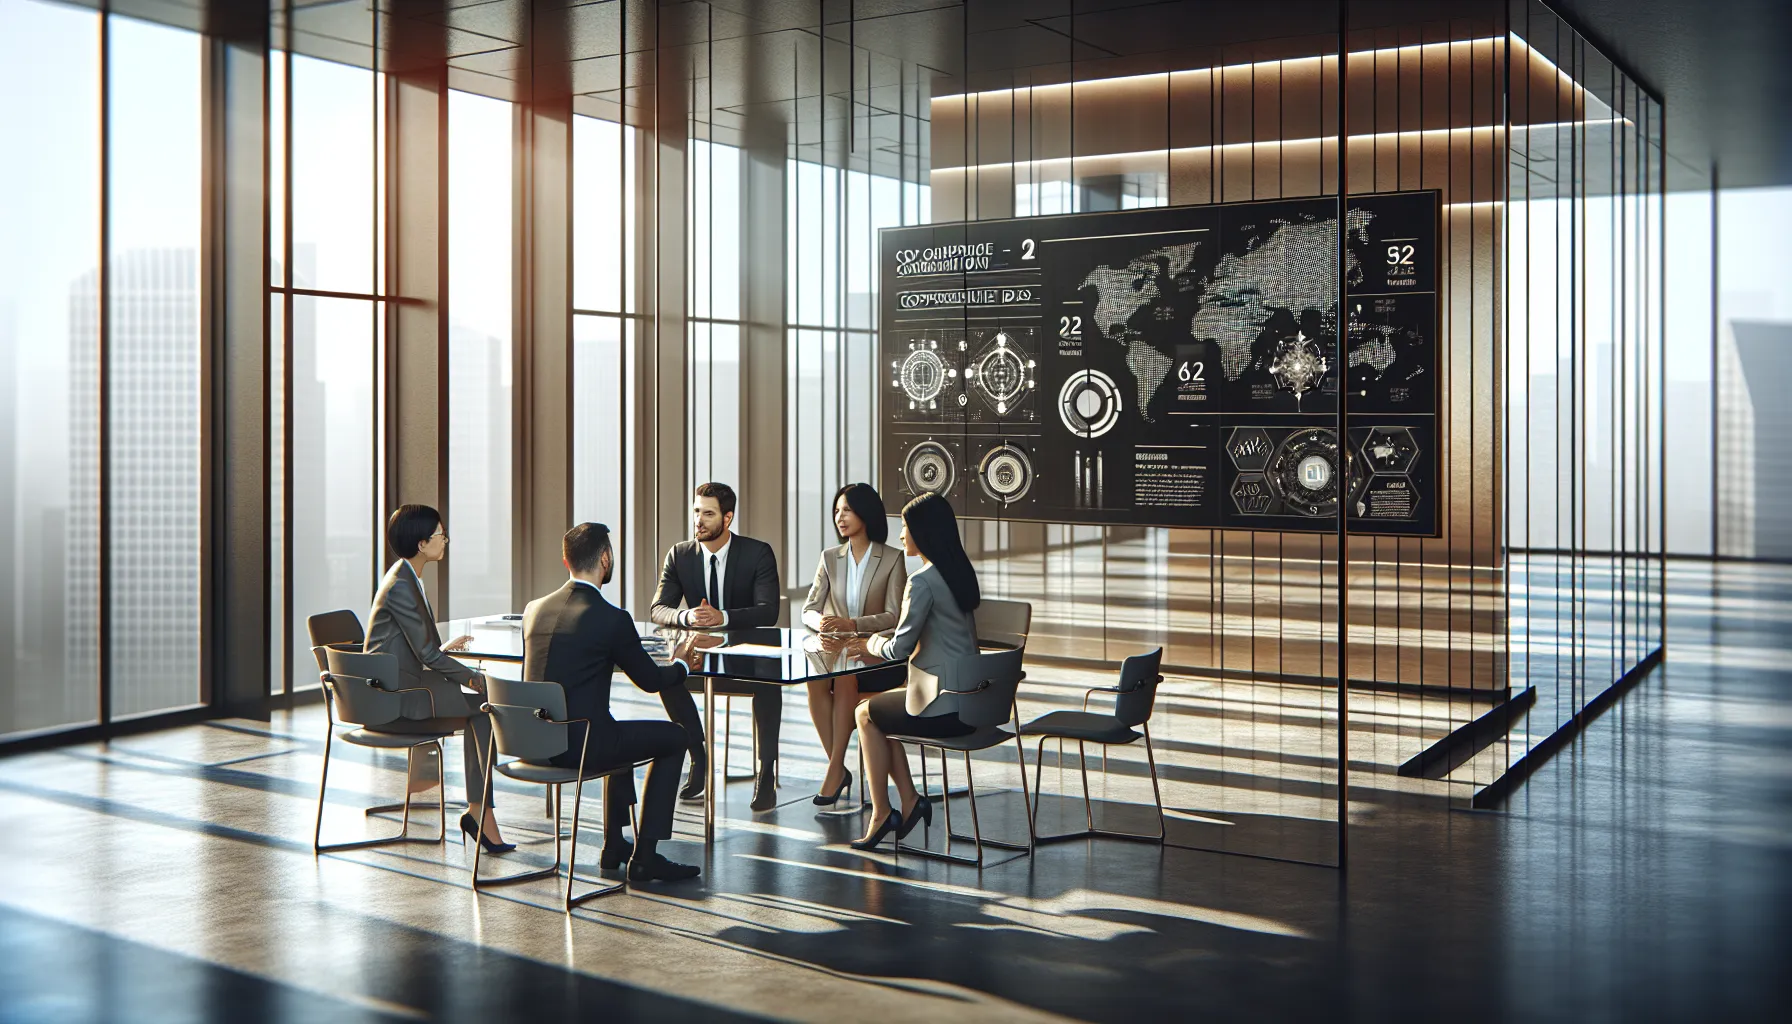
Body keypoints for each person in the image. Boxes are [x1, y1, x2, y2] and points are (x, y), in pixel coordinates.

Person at [519, 523, 700, 883]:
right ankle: (645, 857)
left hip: (530, 742)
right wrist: (681, 664)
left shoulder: (534, 610)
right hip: (578, 747)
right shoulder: (612, 618)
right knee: (674, 737)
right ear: (605, 559)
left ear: (566, 561)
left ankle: (614, 844)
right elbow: (650, 681)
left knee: (613, 729)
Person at [364, 504, 510, 853]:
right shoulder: (402, 585)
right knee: (484, 705)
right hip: (392, 697)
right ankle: (480, 812)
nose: (446, 540)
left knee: (480, 706)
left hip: (399, 683)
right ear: (421, 544)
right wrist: (472, 678)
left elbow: (419, 649)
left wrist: (442, 649)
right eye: (441, 534)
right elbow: (426, 655)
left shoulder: (406, 577)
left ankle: (478, 810)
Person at [843, 492, 981, 850]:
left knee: (864, 713)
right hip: (976, 703)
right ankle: (909, 801)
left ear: (923, 531)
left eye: (905, 527)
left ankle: (881, 812)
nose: (901, 535)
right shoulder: (958, 572)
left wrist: (870, 643)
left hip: (944, 706)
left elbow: (899, 649)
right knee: (880, 712)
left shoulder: (922, 581)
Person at [649, 482, 784, 812]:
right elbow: (658, 609)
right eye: (696, 511)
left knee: (769, 678)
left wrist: (722, 617)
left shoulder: (757, 553)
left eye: (708, 514)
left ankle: (766, 771)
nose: (699, 520)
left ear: (727, 518)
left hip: (747, 659)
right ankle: (698, 757)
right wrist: (688, 616)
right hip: (700, 656)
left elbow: (769, 611)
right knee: (668, 677)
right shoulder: (680, 555)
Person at [799, 483, 907, 806]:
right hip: (838, 651)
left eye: (846, 510)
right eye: (836, 511)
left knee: (845, 676)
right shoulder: (829, 558)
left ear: (865, 512)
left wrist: (853, 625)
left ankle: (835, 771)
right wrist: (823, 623)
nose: (840, 517)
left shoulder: (892, 558)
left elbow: (894, 615)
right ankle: (837, 767)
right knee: (816, 680)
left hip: (876, 654)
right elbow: (809, 608)